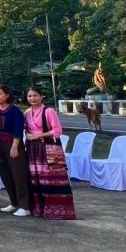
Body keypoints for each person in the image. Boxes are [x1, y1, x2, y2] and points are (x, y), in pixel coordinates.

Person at [24, 87, 76, 220]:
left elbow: (57, 131)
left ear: (41, 97)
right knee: (36, 178)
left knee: (52, 178)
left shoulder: (49, 111)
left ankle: (58, 210)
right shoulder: (27, 113)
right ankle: (38, 209)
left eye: (35, 96)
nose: (32, 99)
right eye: (29, 96)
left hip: (48, 148)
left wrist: (38, 136)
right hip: (33, 149)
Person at [0, 84, 31, 217]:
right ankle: (14, 203)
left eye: (0, 93)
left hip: (13, 145)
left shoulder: (14, 111)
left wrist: (14, 146)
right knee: (5, 175)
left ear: (7, 95)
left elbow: (18, 130)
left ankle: (25, 206)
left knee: (18, 176)